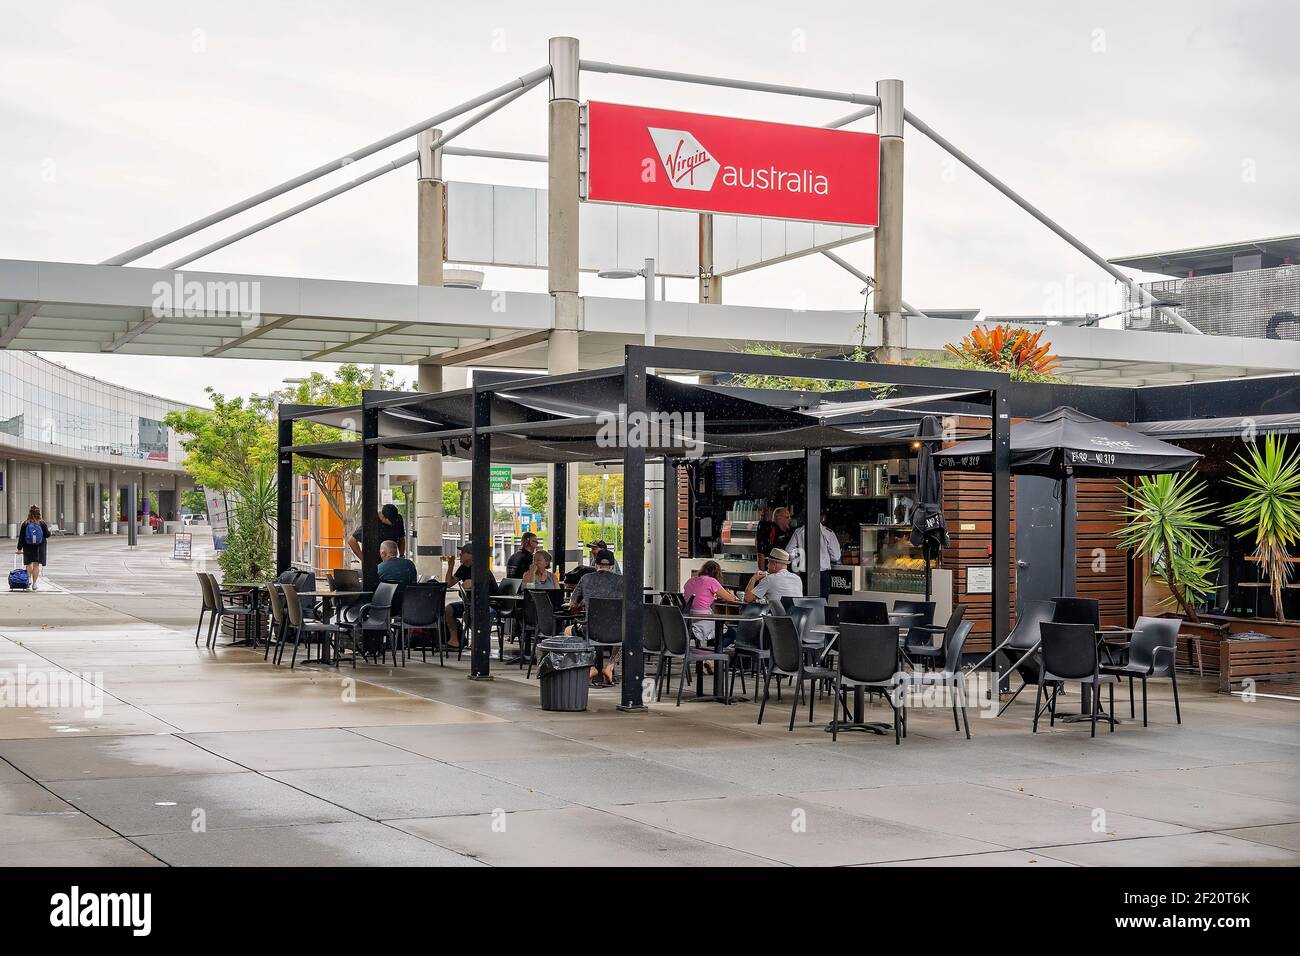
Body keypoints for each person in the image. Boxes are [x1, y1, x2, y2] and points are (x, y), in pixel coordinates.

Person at [565, 548, 623, 685]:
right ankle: (610, 666)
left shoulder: (585, 579)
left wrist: (581, 603)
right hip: (616, 633)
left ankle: (590, 666)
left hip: (591, 630)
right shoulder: (622, 581)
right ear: (612, 566)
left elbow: (572, 603)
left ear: (595, 565)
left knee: (568, 631)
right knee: (627, 634)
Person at [443, 542, 498, 649]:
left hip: (487, 604)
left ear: (471, 555)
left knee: (474, 611)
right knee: (449, 609)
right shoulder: (464, 568)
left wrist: (466, 585)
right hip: (471, 603)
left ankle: (479, 640)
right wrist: (450, 566)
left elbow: (468, 585)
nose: (460, 555)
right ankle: (454, 640)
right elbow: (449, 583)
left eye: (462, 553)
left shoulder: (480, 569)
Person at [683, 560, 741, 647]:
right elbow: (731, 599)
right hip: (703, 620)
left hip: (690, 618)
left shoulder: (690, 581)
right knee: (732, 634)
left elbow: (699, 596)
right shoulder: (711, 581)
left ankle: (711, 649)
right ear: (717, 573)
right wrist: (731, 593)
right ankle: (715, 651)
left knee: (716, 632)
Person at [787, 510, 842, 597]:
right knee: (822, 603)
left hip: (805, 574)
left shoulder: (799, 532)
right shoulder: (828, 533)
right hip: (822, 574)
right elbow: (836, 556)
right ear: (822, 518)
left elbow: (789, 551)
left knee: (806, 603)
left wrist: (800, 560)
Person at [15, 505, 50, 591]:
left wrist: (19, 548)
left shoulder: (25, 523)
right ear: (39, 513)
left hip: (28, 546)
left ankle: (28, 581)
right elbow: (47, 535)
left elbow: (22, 537)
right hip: (39, 546)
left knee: (28, 563)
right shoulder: (42, 523)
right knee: (36, 564)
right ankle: (34, 584)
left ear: (30, 513)